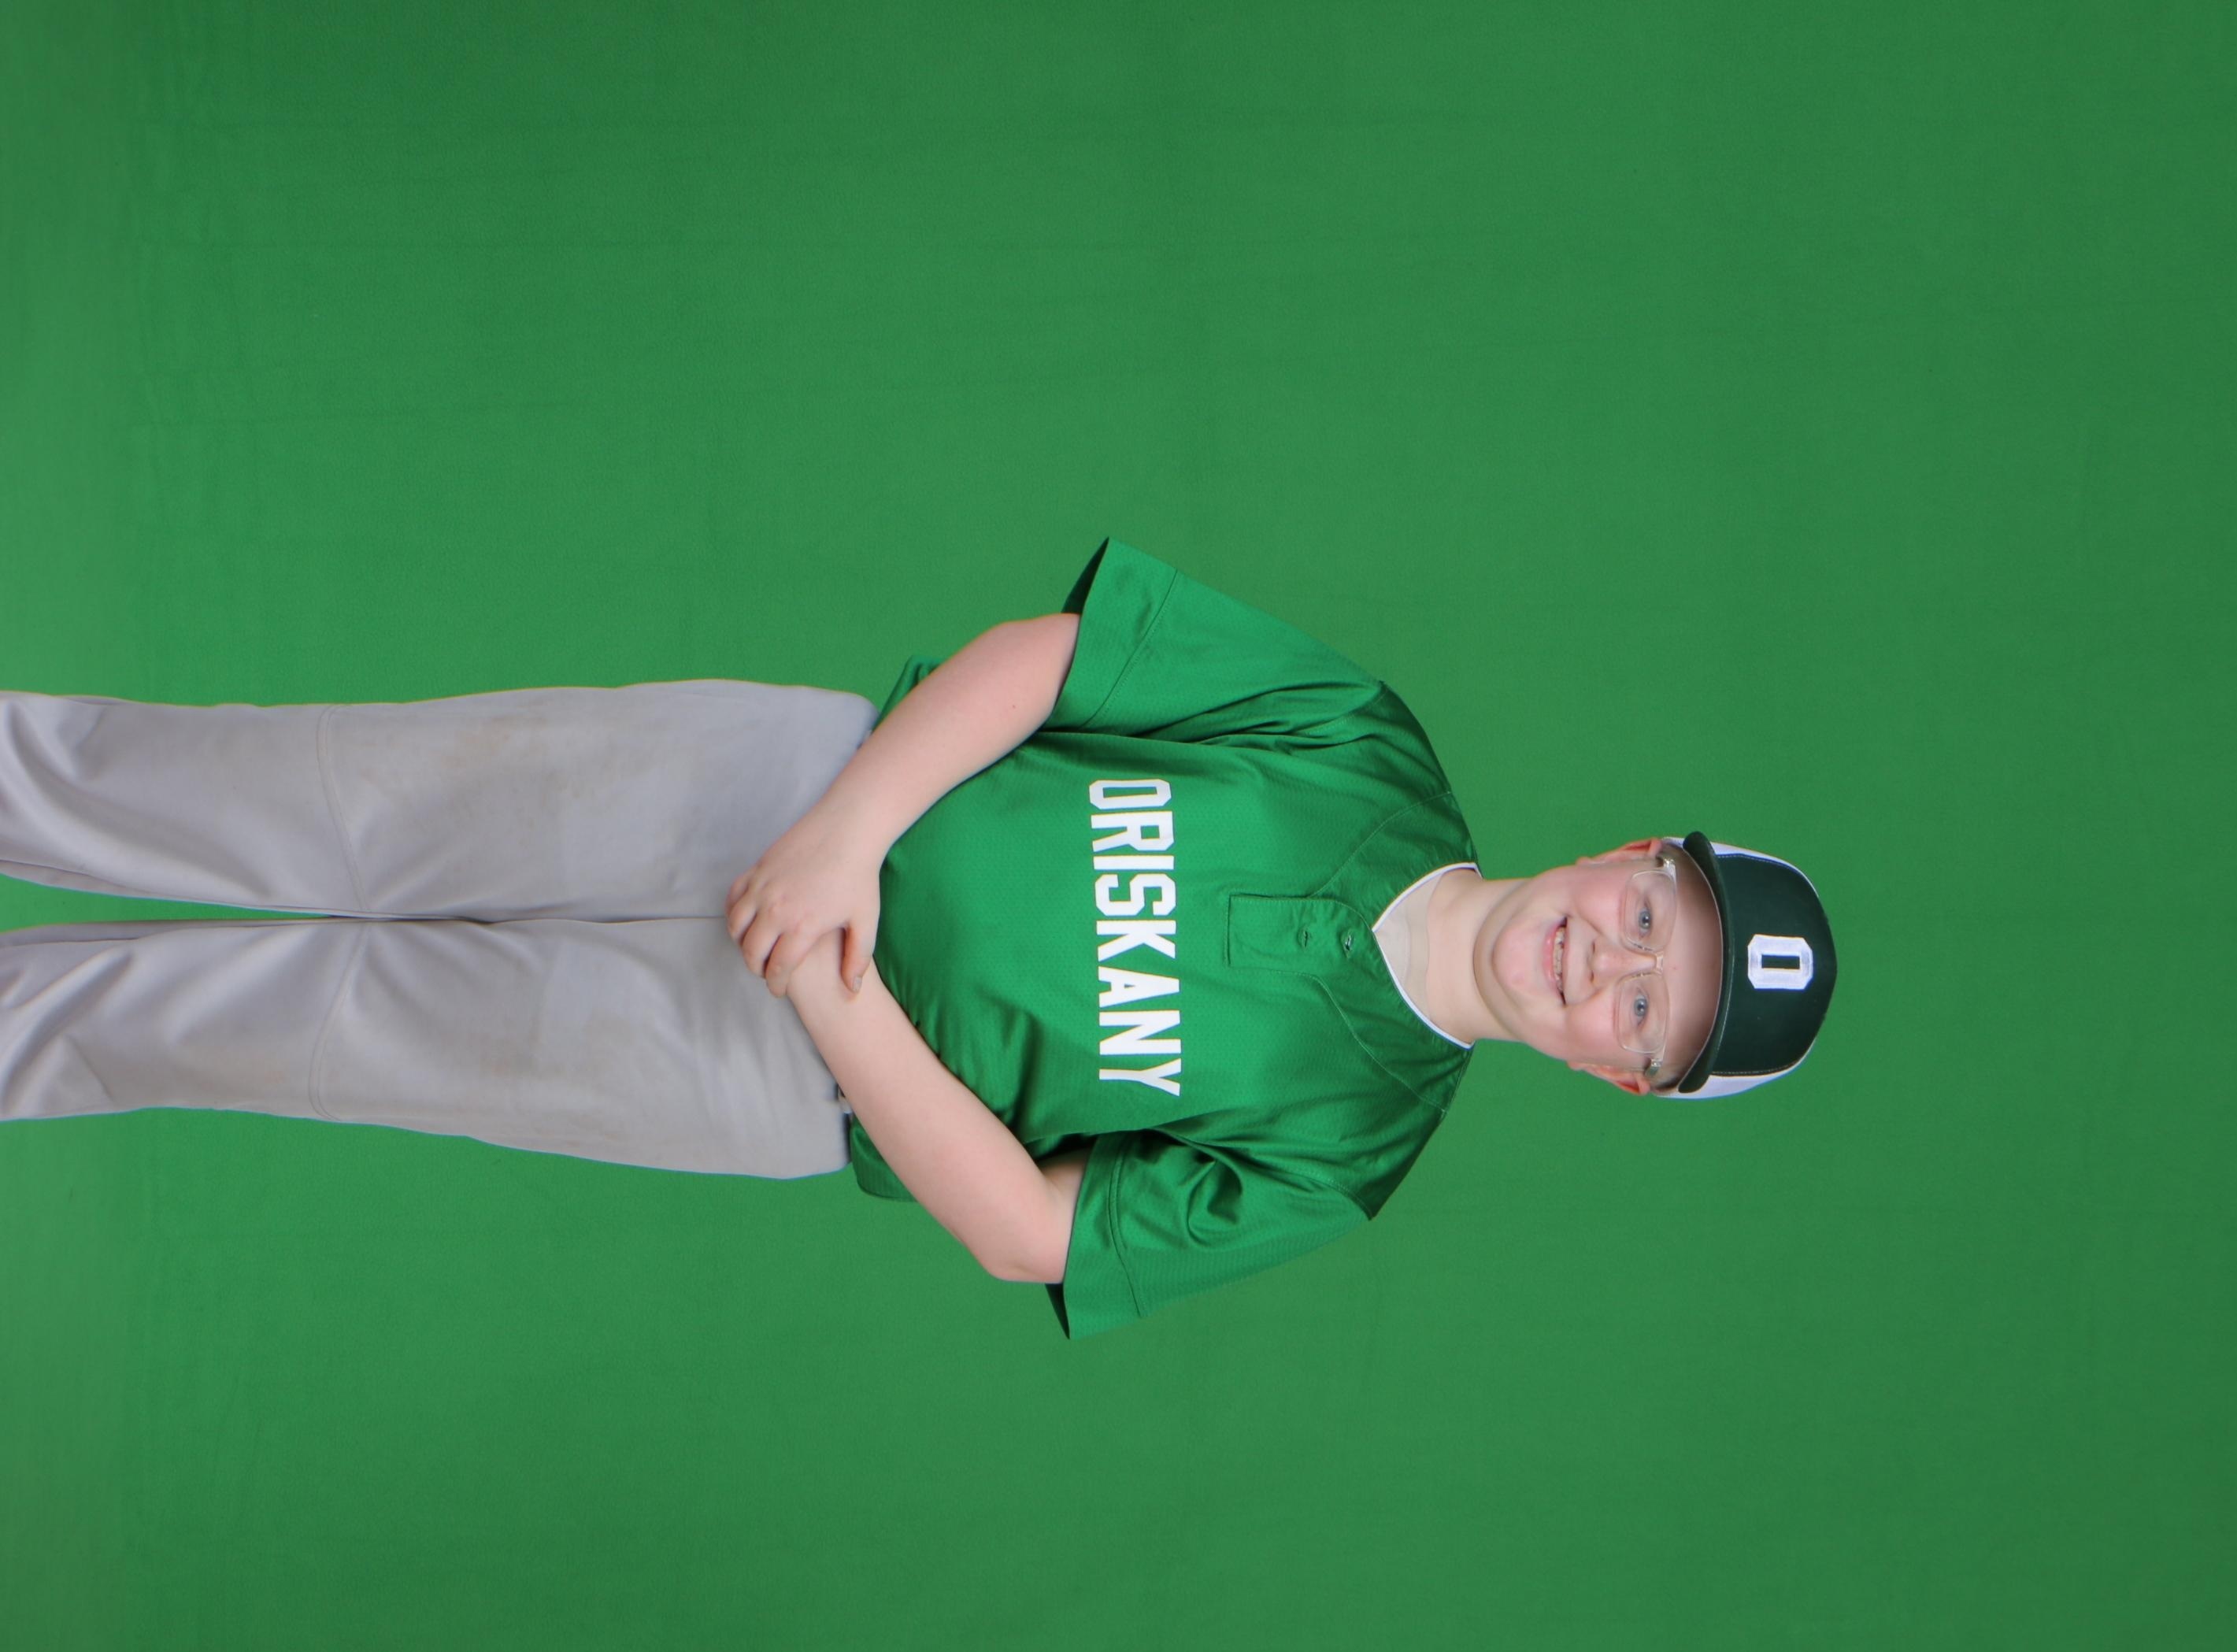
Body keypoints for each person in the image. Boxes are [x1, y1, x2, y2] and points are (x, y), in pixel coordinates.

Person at [0, 539, 1838, 1337]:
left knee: (325, 1029)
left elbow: (1036, 1230)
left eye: (1646, 1011)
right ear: (1626, 854)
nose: (1606, 962)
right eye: (1647, 918)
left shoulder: (1349, 1149)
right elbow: (1063, 660)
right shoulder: (1365, 745)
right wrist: (842, 838)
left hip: (774, 1070)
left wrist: (840, 999)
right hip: (782, 783)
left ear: (1621, 1074)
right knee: (330, 796)